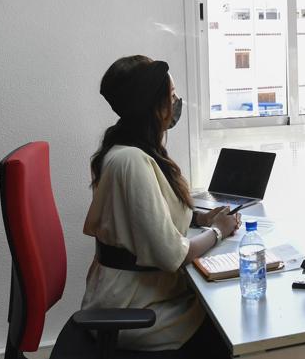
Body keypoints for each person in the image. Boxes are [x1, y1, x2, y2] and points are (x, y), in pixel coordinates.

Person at [81, 55, 240, 357]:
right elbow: (172, 255)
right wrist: (218, 232)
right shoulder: (131, 162)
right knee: (231, 330)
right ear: (154, 106)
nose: (177, 102)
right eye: (172, 95)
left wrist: (204, 218)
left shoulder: (135, 151)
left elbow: (156, 214)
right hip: (138, 311)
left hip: (146, 296)